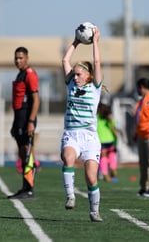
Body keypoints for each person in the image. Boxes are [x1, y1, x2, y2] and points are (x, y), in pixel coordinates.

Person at [60, 25, 103, 222]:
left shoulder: (95, 88)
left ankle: (94, 211)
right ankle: (70, 196)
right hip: (72, 134)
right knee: (68, 159)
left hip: (90, 137)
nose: (75, 77)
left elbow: (96, 61)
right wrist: (76, 42)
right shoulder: (70, 84)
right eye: (74, 74)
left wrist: (94, 42)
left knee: (91, 178)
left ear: (88, 75)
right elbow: (65, 60)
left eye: (79, 74)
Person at [8, 46, 40, 199]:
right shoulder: (20, 74)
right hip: (19, 118)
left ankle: (29, 189)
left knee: (27, 154)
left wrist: (31, 121)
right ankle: (25, 187)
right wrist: (15, 124)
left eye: (20, 58)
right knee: (22, 153)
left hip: (27, 118)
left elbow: (36, 99)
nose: (18, 60)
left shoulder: (30, 74)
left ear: (27, 58)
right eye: (16, 58)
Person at [97, 102, 118, 182]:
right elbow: (113, 129)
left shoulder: (96, 118)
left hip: (101, 141)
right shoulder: (109, 119)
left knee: (103, 157)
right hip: (110, 140)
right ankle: (113, 168)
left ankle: (105, 174)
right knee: (112, 154)